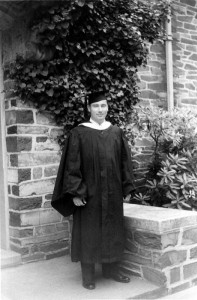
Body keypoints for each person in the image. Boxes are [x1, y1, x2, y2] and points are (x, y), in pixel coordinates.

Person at [51, 91, 135, 290]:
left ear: (107, 107)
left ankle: (112, 269)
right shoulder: (78, 133)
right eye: (96, 106)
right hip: (89, 194)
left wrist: (127, 186)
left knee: (113, 229)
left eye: (104, 105)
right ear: (89, 108)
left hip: (113, 192)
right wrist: (76, 192)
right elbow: (72, 165)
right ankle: (88, 275)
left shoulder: (116, 132)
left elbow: (125, 162)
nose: (100, 110)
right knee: (88, 232)